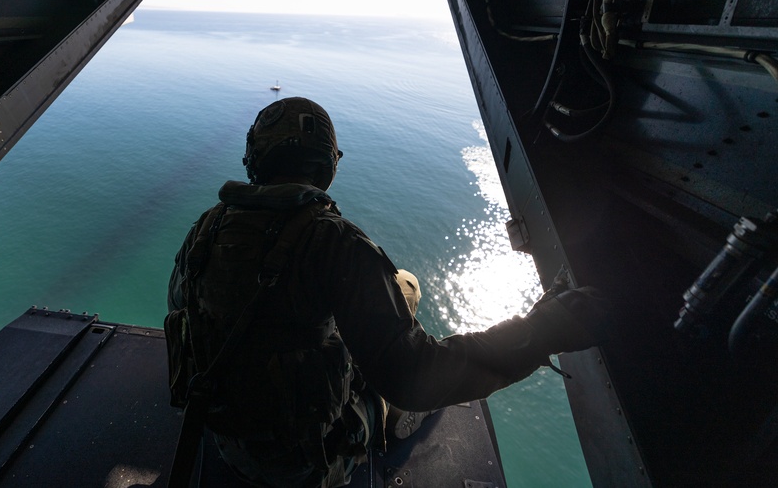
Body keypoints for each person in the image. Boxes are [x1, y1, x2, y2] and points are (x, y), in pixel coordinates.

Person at [165, 97, 608, 488]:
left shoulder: (205, 230)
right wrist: (541, 331)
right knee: (404, 355)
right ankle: (385, 419)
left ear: (253, 160)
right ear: (326, 167)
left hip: (226, 444)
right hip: (302, 469)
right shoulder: (333, 242)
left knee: (403, 287)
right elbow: (417, 377)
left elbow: (191, 324)